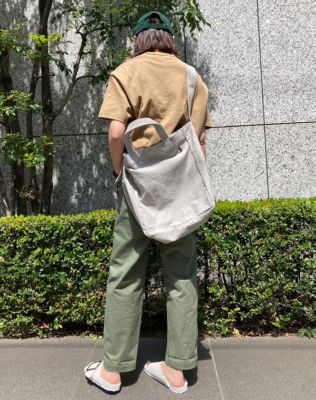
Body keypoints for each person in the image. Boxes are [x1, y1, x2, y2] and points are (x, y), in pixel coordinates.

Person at [84, 11, 213, 394]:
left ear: (139, 40)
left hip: (138, 188)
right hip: (180, 189)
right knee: (181, 275)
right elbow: (200, 143)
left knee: (125, 274)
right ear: (170, 39)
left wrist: (118, 171)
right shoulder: (191, 77)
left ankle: (113, 371)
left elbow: (116, 131)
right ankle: (176, 370)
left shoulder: (126, 73)